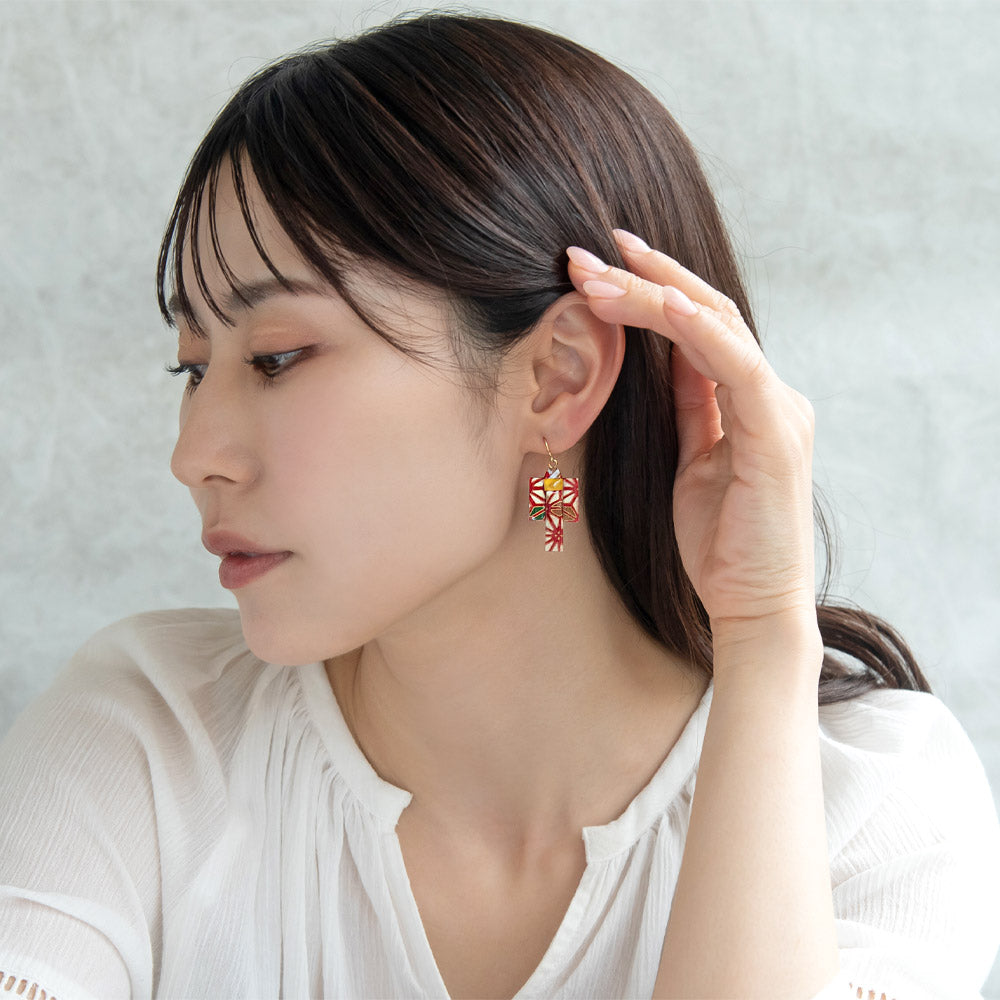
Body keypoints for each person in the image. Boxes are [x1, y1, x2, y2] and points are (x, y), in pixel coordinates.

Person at [1, 12, 998, 1000]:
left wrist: (759, 634)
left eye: (276, 358)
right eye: (191, 367)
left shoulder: (874, 806)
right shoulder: (147, 739)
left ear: (555, 379)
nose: (193, 455)